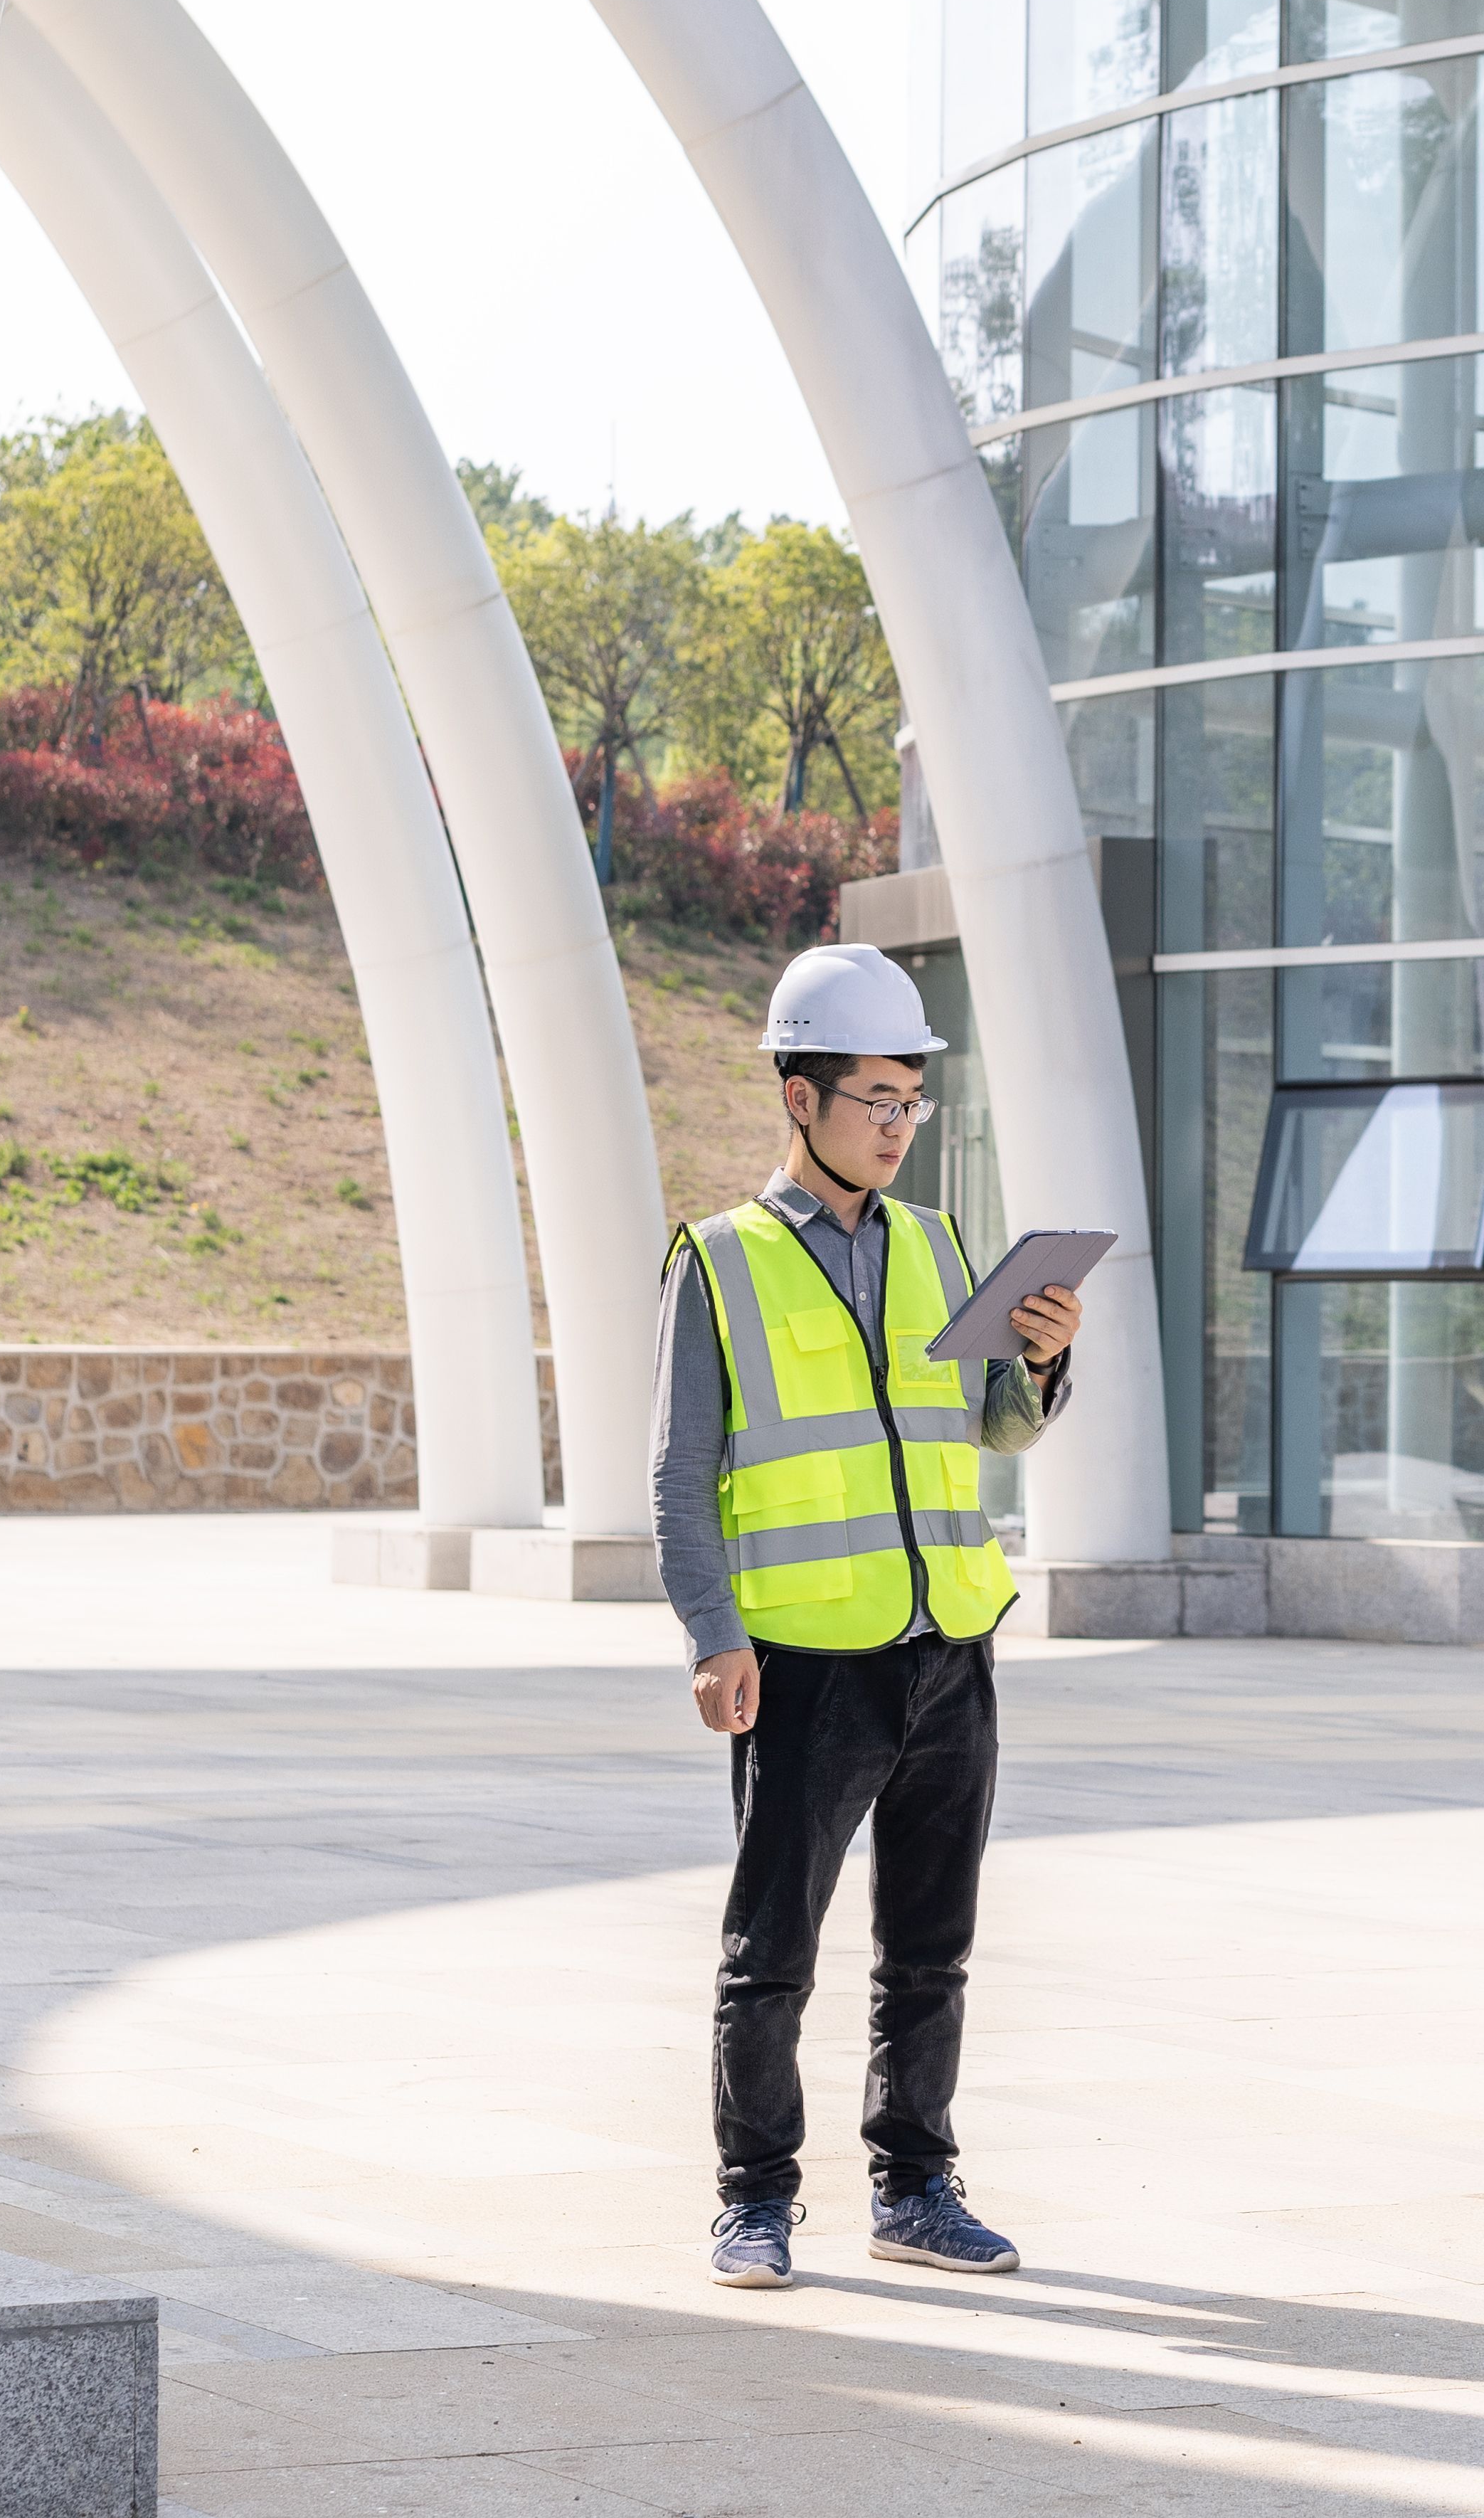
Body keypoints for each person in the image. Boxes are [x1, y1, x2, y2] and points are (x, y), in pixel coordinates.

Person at [656, 943, 1078, 2291]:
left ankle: (916, 2187)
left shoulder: (940, 1245)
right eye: (878, 1100)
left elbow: (993, 1426)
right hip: (804, 1659)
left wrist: (1042, 1358)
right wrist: (713, 1632)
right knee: (770, 1951)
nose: (900, 1127)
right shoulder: (720, 1261)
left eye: (914, 1101)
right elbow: (679, 1471)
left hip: (948, 1644)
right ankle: (753, 2199)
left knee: (931, 1948)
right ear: (801, 1096)